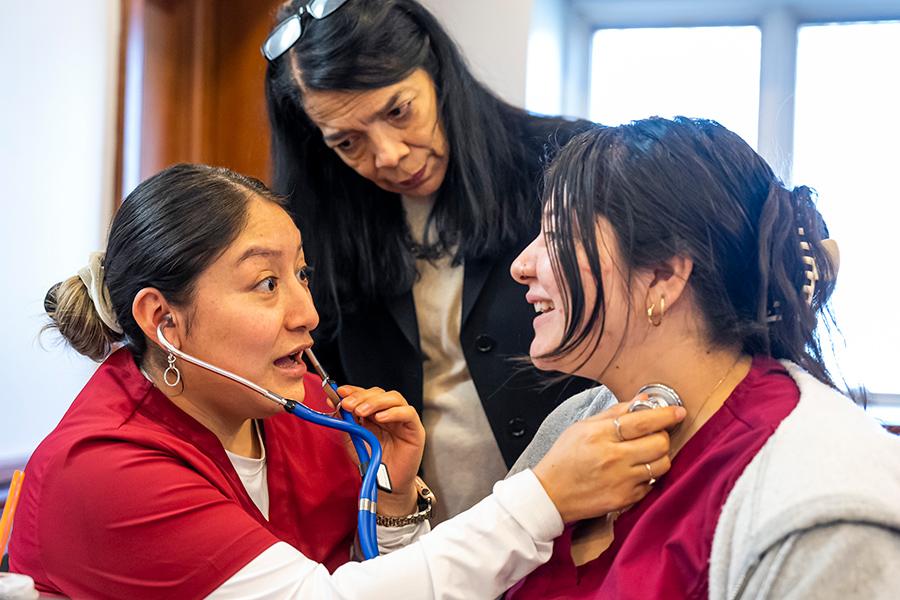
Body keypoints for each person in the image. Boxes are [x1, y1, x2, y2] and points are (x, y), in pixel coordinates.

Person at [8, 164, 685, 599]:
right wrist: (545, 496)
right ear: (164, 319)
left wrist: (393, 503)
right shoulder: (102, 469)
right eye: (266, 283)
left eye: (300, 276)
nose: (308, 314)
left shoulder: (295, 407)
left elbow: (381, 581)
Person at [502, 118, 900, 598]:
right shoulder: (577, 423)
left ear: (663, 275)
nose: (521, 266)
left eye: (557, 234)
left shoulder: (820, 500)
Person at [263, 0, 595, 521]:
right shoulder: (319, 224)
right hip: (418, 527)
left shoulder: (562, 162)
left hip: (576, 511)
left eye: (398, 111)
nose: (388, 155)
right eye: (348, 143)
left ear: (437, 70)